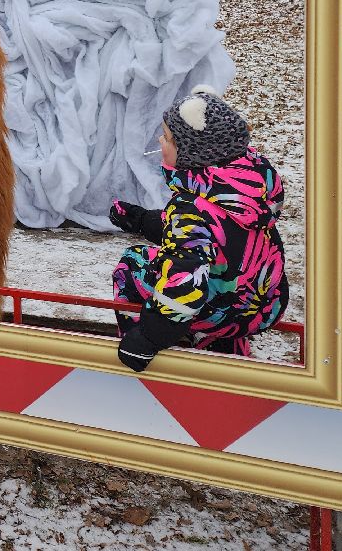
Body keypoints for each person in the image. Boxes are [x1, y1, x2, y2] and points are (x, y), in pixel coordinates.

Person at [108, 85, 288, 372]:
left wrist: (148, 338)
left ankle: (155, 339)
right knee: (190, 265)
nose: (160, 140)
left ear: (191, 153)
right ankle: (223, 343)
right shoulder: (246, 188)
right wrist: (142, 219)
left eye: (167, 138)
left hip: (224, 310)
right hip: (264, 302)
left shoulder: (190, 209)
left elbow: (185, 279)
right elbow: (215, 237)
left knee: (133, 264)